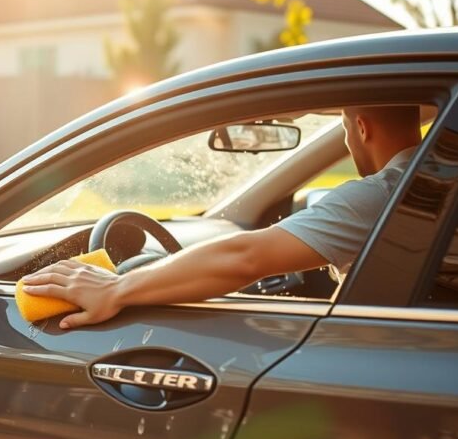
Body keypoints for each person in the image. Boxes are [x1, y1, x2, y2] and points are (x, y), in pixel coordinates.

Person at [21, 105, 423, 329]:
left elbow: (244, 257)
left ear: (363, 128)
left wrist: (117, 288)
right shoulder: (435, 182)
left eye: (344, 127)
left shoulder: (383, 195)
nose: (349, 140)